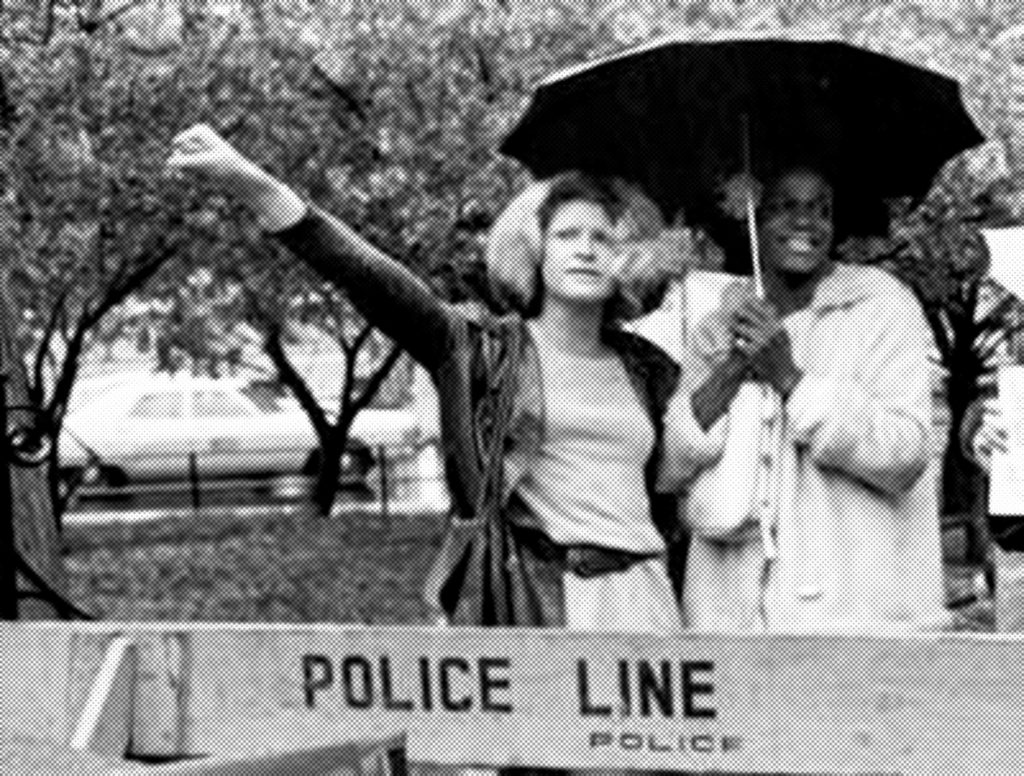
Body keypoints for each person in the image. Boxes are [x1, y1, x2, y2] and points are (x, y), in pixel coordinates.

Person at [166, 124, 687, 633]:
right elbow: (368, 276)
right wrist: (256, 187)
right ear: (536, 250)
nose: (586, 249)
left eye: (603, 237)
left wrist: (734, 361)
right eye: (566, 235)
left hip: (646, 595)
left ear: (629, 258)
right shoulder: (479, 349)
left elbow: (680, 475)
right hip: (539, 599)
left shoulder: (650, 369)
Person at [658, 164, 951, 632]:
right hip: (728, 614)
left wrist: (791, 377)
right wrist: (732, 368)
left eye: (821, 210)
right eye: (785, 207)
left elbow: (906, 451)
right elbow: (672, 464)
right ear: (749, 217)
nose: (806, 223)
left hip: (854, 614)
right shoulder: (716, 327)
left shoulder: (883, 306)